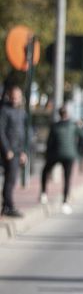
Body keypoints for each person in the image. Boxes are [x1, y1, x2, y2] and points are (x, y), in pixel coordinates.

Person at [40, 105, 83, 214]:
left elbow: (49, 142)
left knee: (45, 171)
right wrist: (77, 151)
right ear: (67, 114)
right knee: (67, 179)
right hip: (69, 155)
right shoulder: (74, 126)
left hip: (55, 155)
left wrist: (47, 155)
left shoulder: (55, 126)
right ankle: (65, 202)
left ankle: (43, 193)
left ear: (59, 114)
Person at [0, 85, 28, 218]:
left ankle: (8, 204)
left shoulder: (21, 112)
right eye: (13, 96)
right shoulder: (5, 110)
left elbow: (22, 133)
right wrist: (7, 150)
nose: (15, 99)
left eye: (17, 97)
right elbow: (1, 131)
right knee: (10, 179)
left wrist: (23, 151)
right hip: (9, 151)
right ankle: (8, 206)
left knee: (13, 179)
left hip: (18, 150)